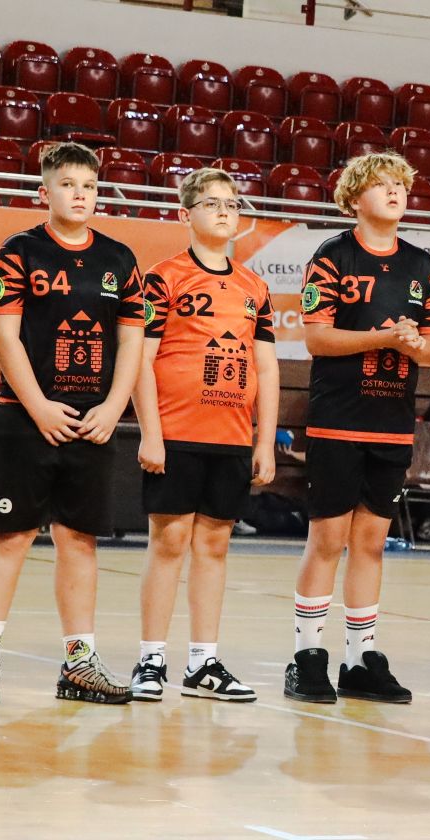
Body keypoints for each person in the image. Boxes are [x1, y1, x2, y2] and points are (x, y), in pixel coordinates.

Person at [0, 142, 144, 705]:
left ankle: (78, 665)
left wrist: (115, 406)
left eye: (89, 186)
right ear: (45, 192)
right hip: (26, 418)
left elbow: (132, 341)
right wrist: (38, 405)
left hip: (93, 421)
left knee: (79, 540)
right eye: (68, 184)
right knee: (9, 537)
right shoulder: (20, 251)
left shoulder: (120, 259)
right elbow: (4, 335)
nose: (80, 195)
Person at [285, 152, 430, 704]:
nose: (395, 191)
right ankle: (307, 657)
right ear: (354, 199)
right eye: (381, 184)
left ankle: (359, 659)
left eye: (401, 183)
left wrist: (415, 344)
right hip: (338, 418)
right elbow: (317, 337)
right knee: (328, 538)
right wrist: (383, 338)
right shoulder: (333, 255)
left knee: (371, 544)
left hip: (392, 421)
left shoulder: (421, 264)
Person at [129, 167, 278, 702]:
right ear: (185, 214)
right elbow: (141, 360)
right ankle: (151, 659)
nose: (224, 212)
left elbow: (266, 366)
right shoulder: (163, 277)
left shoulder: (254, 287)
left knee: (214, 546)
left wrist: (264, 441)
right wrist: (150, 433)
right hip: (175, 433)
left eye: (232, 204)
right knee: (169, 542)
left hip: (231, 436)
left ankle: (203, 663)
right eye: (212, 203)